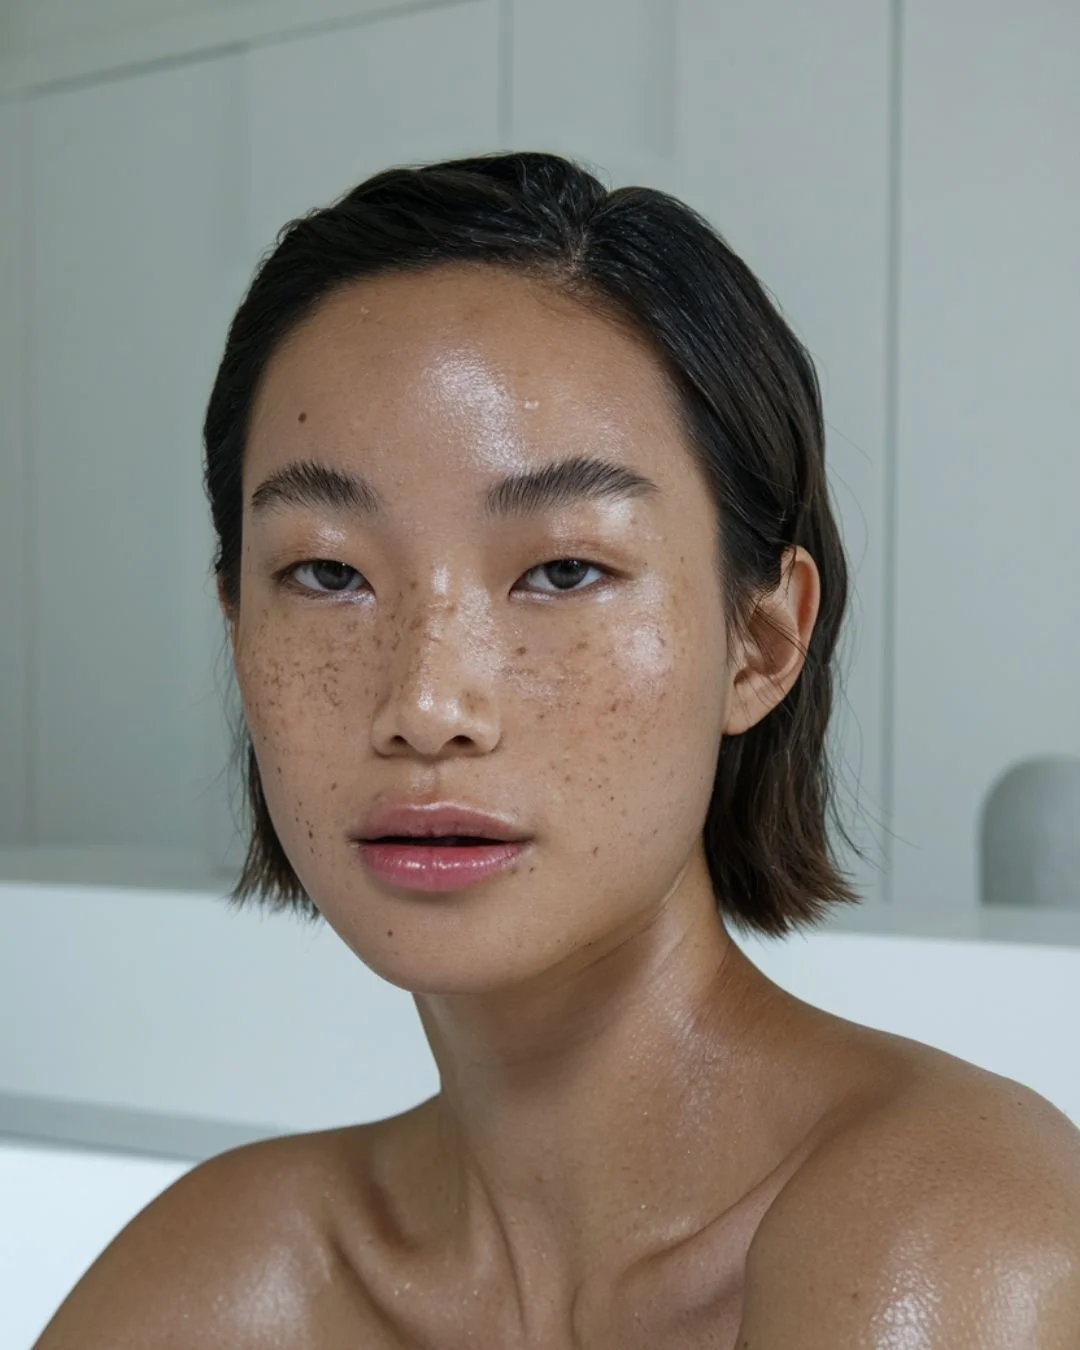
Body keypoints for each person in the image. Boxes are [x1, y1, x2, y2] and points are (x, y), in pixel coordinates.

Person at [36, 151, 1080, 1348]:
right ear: (237, 627)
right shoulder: (225, 1277)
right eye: (326, 573)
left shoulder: (942, 1238)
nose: (426, 704)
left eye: (564, 570)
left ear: (762, 640)